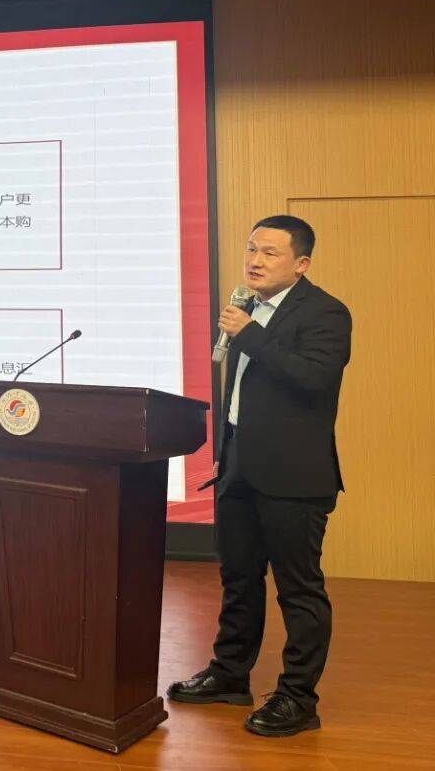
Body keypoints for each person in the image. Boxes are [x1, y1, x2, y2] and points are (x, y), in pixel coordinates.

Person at [167, 215, 352, 737]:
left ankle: (298, 699)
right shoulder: (246, 308)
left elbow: (313, 379)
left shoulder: (325, 312)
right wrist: (226, 454)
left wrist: (250, 335)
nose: (254, 260)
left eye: (270, 253)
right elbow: (241, 397)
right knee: (238, 578)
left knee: (299, 589)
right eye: (251, 249)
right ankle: (230, 675)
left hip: (295, 477)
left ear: (301, 263)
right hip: (239, 469)